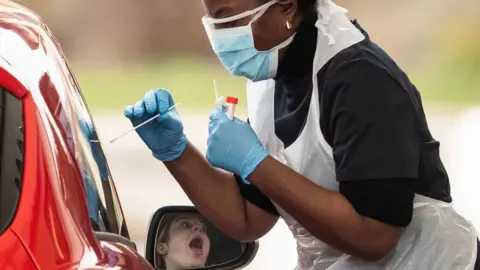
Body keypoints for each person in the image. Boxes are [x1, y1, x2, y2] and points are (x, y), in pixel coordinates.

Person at [124, 0, 480, 269]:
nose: (220, 36)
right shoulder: (271, 74)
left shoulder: (360, 81)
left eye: (227, 19)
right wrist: (176, 152)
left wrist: (257, 164)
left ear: (287, 8)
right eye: (211, 19)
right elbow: (249, 218)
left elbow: (375, 236)